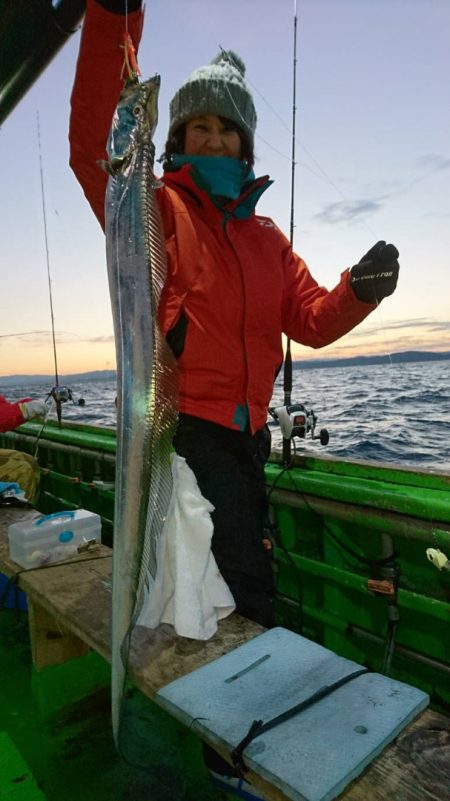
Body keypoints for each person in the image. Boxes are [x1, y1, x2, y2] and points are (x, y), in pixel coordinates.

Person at [69, 2, 400, 796]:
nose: (214, 140)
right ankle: (232, 762)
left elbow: (310, 319)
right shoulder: (153, 207)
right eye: (200, 127)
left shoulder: (267, 236)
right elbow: (93, 141)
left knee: (238, 595)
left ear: (246, 143)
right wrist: (114, 16)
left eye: (228, 130)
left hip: (248, 447)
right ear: (176, 138)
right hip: (183, 438)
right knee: (237, 604)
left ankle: (223, 748)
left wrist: (358, 290)